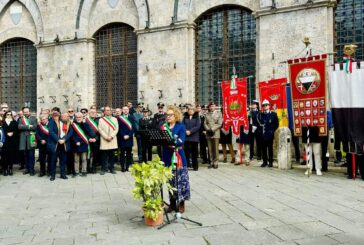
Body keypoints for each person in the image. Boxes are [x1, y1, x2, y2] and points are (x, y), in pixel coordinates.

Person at [162, 105, 190, 213]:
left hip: (178, 156)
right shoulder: (164, 126)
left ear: (176, 115)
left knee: (180, 181)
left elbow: (181, 140)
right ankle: (172, 203)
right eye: (167, 115)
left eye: (170, 115)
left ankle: (181, 203)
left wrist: (173, 143)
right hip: (167, 156)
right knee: (170, 181)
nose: (168, 117)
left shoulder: (181, 126)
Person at [48, 113, 74, 181]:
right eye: (66, 116)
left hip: (64, 144)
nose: (67, 117)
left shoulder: (68, 122)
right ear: (61, 117)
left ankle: (63, 174)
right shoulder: (53, 121)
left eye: (68, 116)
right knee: (53, 160)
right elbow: (51, 132)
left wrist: (64, 139)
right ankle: (52, 175)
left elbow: (70, 132)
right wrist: (58, 139)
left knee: (63, 160)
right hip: (55, 144)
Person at [71, 112, 96, 177]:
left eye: (80, 117)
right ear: (75, 118)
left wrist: (84, 123)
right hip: (76, 144)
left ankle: (84, 171)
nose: (78, 118)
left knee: (84, 159)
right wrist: (75, 142)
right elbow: (72, 135)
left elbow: (90, 133)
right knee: (76, 159)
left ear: (82, 117)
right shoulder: (72, 125)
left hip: (84, 143)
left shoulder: (85, 124)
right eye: (77, 117)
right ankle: (76, 172)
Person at [258, 99, 279, 167]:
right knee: (263, 149)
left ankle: (270, 162)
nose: (265, 106)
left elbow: (276, 124)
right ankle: (264, 161)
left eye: (266, 105)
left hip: (270, 134)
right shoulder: (261, 115)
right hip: (263, 134)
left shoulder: (273, 114)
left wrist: (272, 130)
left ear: (269, 106)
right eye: (264, 105)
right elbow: (259, 124)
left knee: (270, 149)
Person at [98, 106, 118, 175]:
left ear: (111, 111)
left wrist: (111, 136)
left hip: (112, 140)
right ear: (104, 112)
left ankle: (111, 168)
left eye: (109, 110)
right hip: (104, 140)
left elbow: (116, 129)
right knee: (104, 156)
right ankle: (103, 169)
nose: (107, 111)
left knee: (112, 155)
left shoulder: (115, 119)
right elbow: (100, 129)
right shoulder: (101, 120)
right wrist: (106, 137)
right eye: (106, 110)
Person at [18, 107, 37, 176]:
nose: (26, 113)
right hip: (23, 140)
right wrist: (29, 126)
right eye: (25, 112)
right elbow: (19, 127)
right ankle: (27, 169)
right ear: (23, 112)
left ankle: (32, 169)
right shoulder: (21, 119)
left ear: (30, 112)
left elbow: (35, 127)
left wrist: (25, 126)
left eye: (27, 111)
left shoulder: (34, 118)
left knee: (31, 155)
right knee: (25, 155)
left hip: (31, 139)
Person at [204, 102, 223, 169]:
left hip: (215, 133)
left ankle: (216, 162)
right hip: (208, 133)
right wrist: (208, 129)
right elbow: (205, 123)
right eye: (210, 106)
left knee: (215, 148)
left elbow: (220, 124)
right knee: (210, 148)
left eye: (213, 106)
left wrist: (212, 129)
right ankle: (211, 162)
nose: (212, 107)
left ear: (215, 107)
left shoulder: (219, 113)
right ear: (209, 107)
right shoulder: (206, 114)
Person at [117, 106, 134, 172]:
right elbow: (119, 128)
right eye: (124, 109)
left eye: (127, 109)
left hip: (129, 139)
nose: (126, 110)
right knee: (122, 153)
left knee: (129, 154)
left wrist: (129, 135)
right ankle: (122, 167)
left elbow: (133, 128)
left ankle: (127, 167)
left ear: (128, 110)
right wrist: (123, 135)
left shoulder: (131, 118)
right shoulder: (119, 118)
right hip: (122, 138)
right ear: (122, 110)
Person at [183, 106, 201, 171]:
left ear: (194, 111)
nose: (190, 111)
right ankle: (187, 166)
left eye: (192, 110)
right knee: (186, 153)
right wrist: (186, 131)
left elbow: (198, 126)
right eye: (189, 110)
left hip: (194, 137)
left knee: (194, 153)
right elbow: (183, 125)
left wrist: (190, 131)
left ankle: (195, 166)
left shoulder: (197, 117)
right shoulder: (185, 117)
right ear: (187, 111)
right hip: (186, 137)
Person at [2, 111, 17, 176]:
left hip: (12, 141)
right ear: (5, 115)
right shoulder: (2, 122)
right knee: (4, 156)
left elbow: (17, 130)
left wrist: (13, 133)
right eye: (8, 114)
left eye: (10, 114)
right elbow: (1, 131)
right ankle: (5, 169)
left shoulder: (14, 122)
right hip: (4, 141)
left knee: (11, 156)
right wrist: (6, 133)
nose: (9, 115)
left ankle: (10, 169)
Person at [85, 108, 100, 173]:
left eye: (94, 112)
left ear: (96, 113)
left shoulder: (99, 120)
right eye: (91, 112)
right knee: (87, 154)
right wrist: (89, 138)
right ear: (88, 113)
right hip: (87, 141)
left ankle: (94, 168)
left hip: (96, 141)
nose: (93, 113)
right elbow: (84, 131)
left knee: (95, 155)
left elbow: (101, 131)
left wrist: (95, 139)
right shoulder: (85, 120)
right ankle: (87, 168)